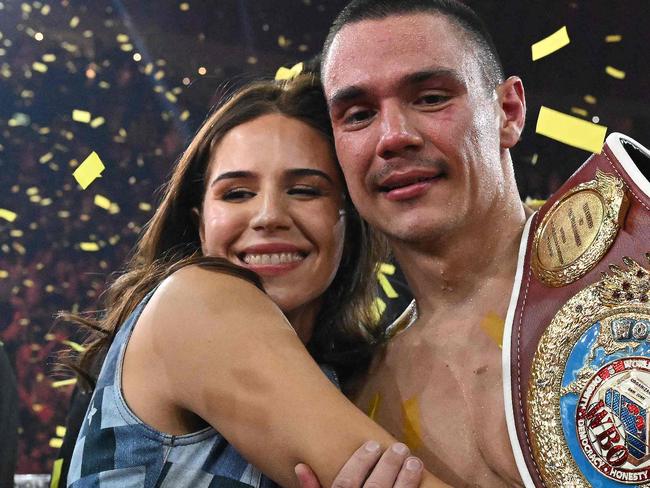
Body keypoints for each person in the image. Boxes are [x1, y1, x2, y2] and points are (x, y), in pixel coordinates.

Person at [64, 74, 448, 488]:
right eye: (236, 194)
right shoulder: (193, 301)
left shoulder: (351, 377)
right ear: (200, 225)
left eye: (304, 190)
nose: (268, 216)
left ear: (347, 222)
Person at [317, 0, 530, 486]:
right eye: (357, 114)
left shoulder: (633, 266)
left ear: (509, 111)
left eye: (431, 98)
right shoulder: (350, 406)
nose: (393, 137)